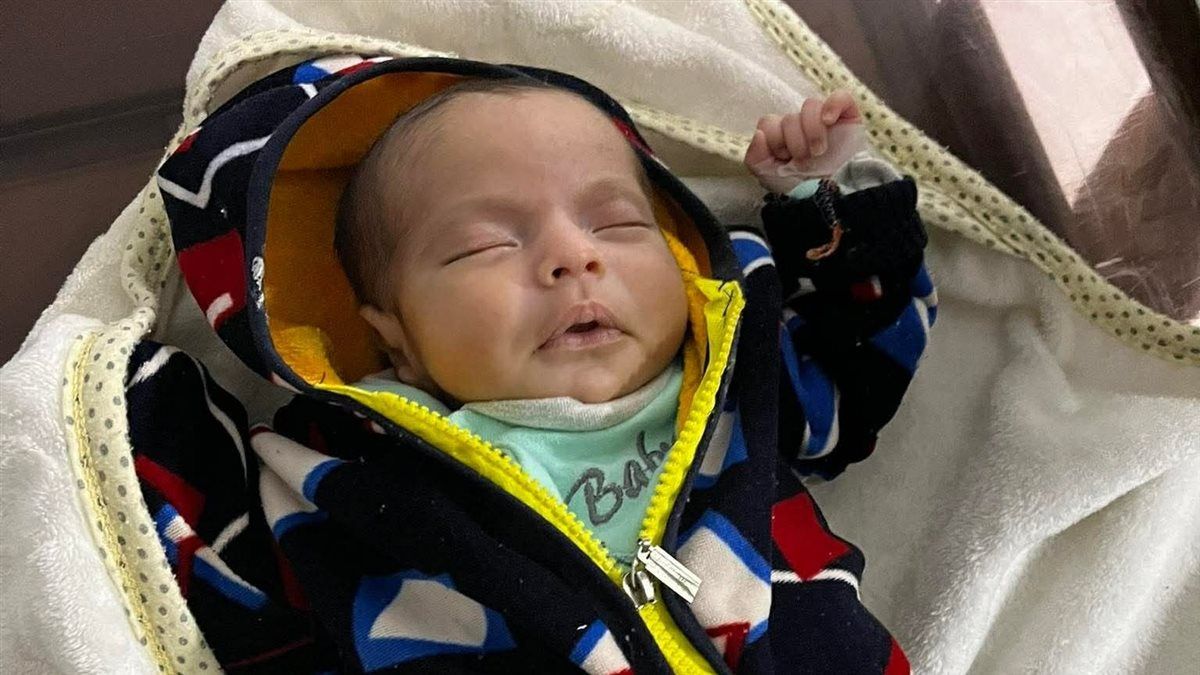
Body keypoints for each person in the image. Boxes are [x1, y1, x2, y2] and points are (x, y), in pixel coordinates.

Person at [155, 58, 934, 673]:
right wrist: (139, 399)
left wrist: (822, 206)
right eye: (488, 243)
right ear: (397, 340)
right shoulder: (343, 479)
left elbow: (861, 366)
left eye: (617, 222)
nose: (573, 255)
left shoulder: (741, 378)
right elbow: (231, 589)